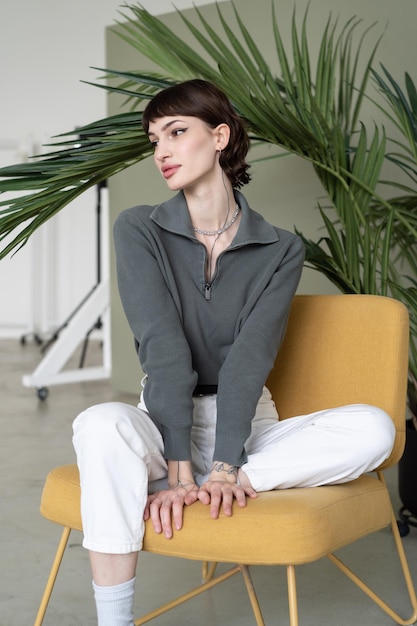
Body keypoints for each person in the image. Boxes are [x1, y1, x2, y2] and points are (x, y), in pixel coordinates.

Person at [72, 79, 395, 626]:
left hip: (247, 427)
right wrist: (177, 464)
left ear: (220, 136)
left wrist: (226, 466)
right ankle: (114, 621)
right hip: (163, 422)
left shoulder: (281, 248)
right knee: (98, 424)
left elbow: (252, 355)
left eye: (177, 132)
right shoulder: (139, 229)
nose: (162, 152)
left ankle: (228, 482)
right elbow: (164, 348)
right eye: (154, 140)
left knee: (375, 428)